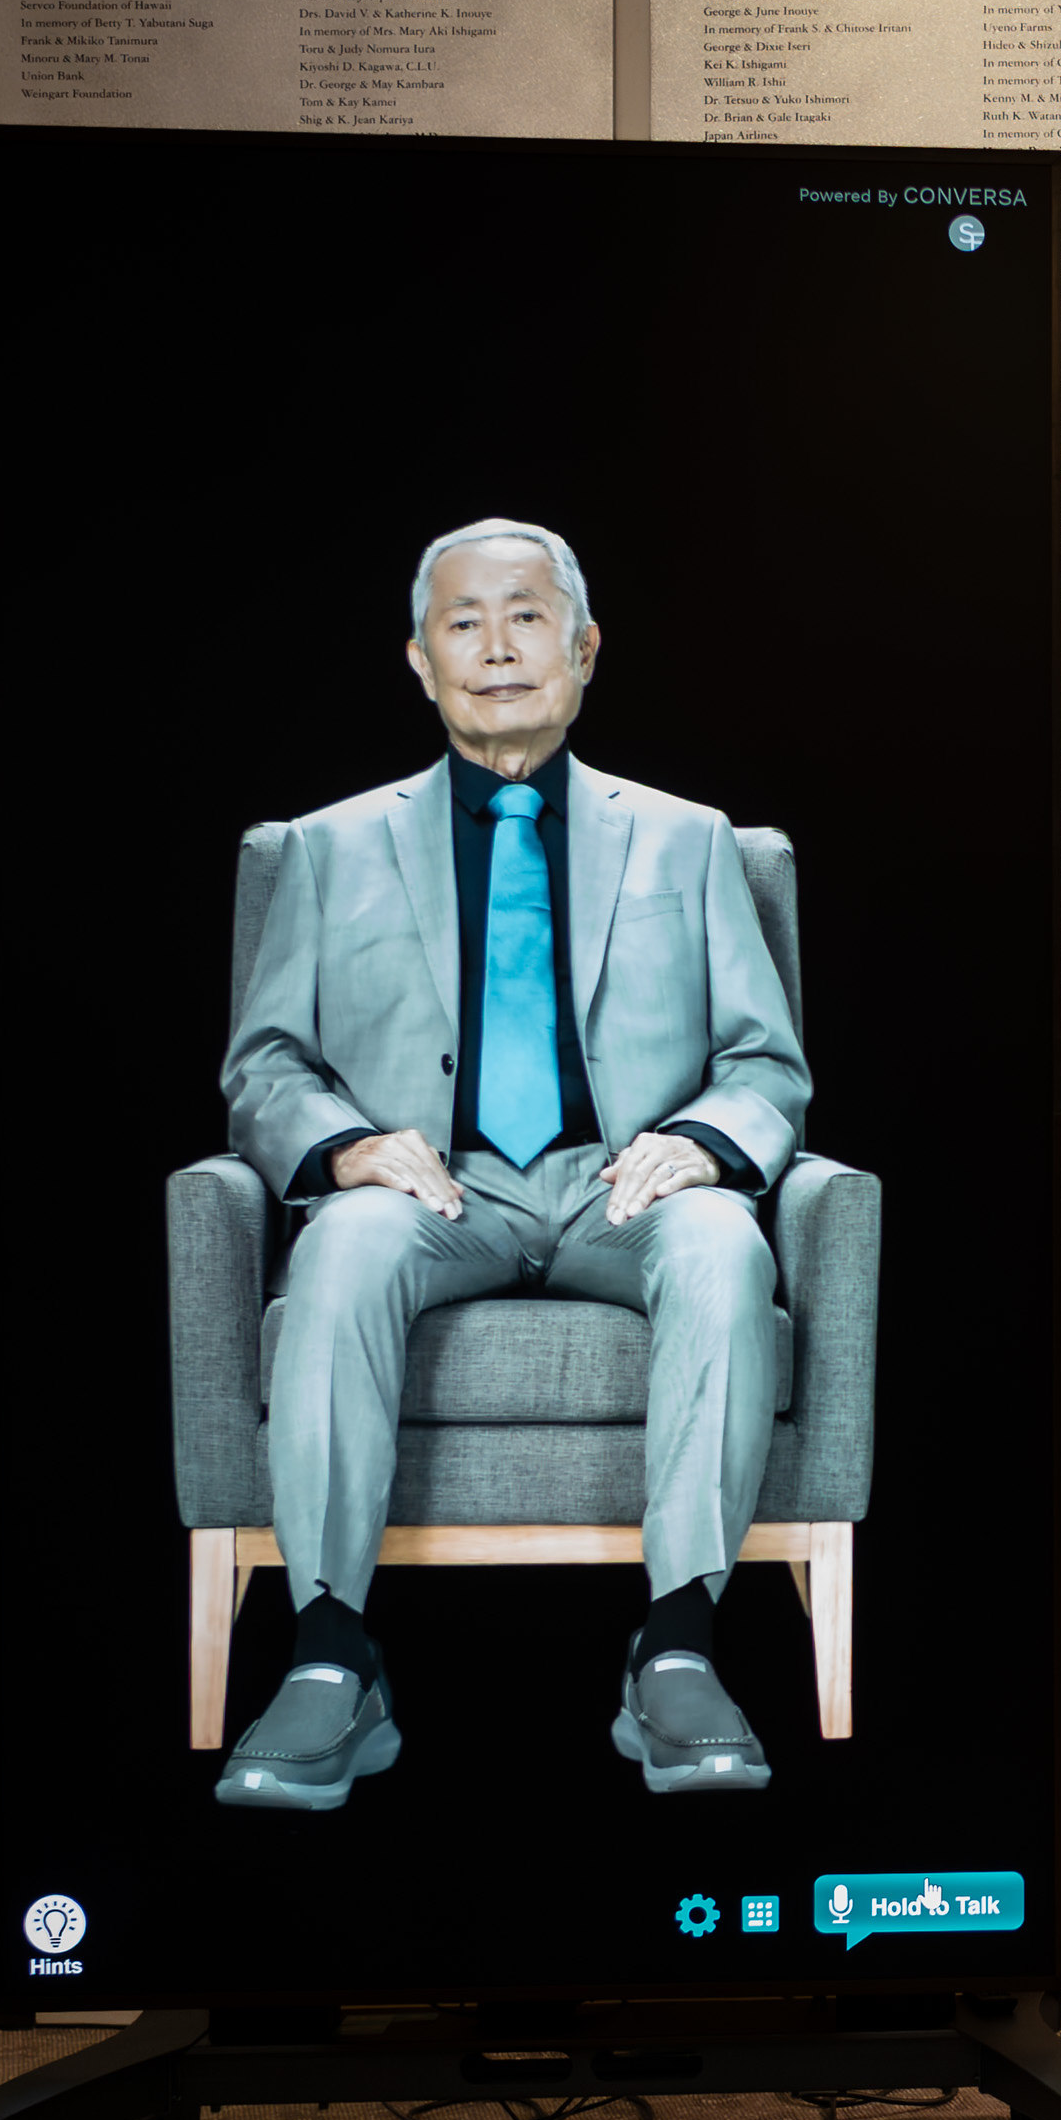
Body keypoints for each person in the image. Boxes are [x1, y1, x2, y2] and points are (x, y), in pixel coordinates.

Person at [212, 518, 810, 1811]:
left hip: (620, 1185)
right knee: (342, 1240)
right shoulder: (324, 848)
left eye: (527, 616)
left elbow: (768, 1062)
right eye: (464, 622)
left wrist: (700, 1146)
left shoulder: (691, 839)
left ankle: (682, 1646)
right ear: (419, 661)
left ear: (584, 647)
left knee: (723, 1243)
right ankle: (328, 1658)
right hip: (439, 1187)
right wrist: (349, 1146)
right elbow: (263, 1064)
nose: (497, 647)